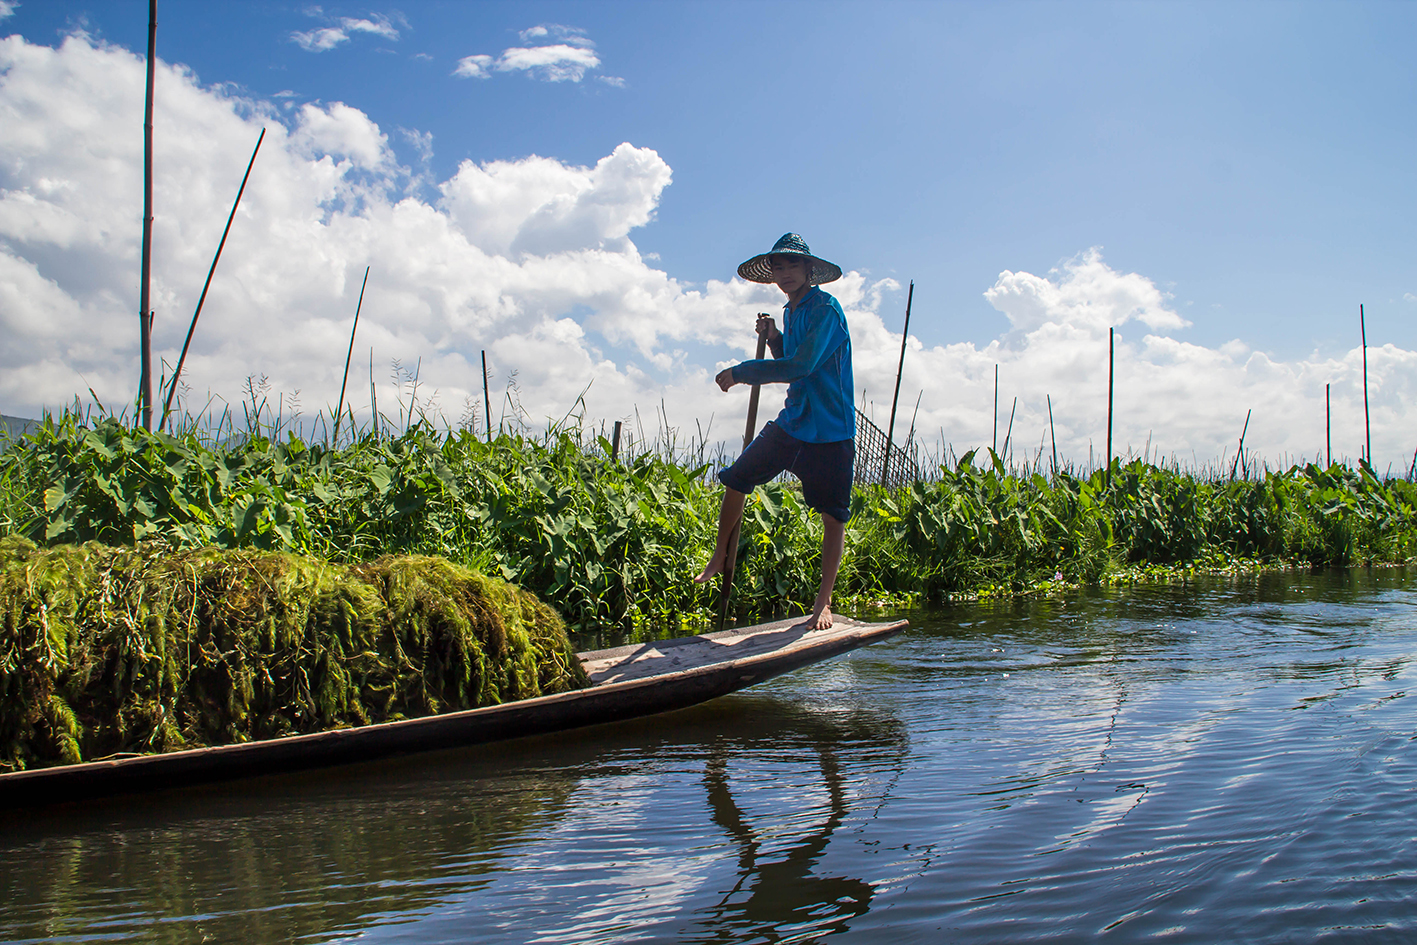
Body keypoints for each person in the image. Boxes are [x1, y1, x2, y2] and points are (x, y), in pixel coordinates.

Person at [694, 233, 855, 630]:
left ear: (808, 270)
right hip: (794, 421)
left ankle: (824, 602)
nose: (785, 273)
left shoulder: (826, 311)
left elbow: (801, 366)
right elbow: (790, 357)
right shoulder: (791, 311)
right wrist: (776, 337)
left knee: (833, 517)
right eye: (778, 267)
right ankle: (721, 555)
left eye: (792, 266)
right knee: (737, 478)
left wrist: (742, 372)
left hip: (831, 430)